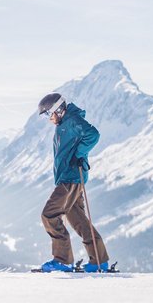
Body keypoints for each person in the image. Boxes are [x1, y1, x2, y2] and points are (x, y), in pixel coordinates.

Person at [37, 93, 110, 272]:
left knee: (49, 214)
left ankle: (62, 260)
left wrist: (79, 154)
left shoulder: (72, 120)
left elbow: (93, 134)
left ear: (59, 110)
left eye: (49, 114)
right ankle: (99, 261)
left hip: (71, 178)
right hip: (70, 177)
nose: (48, 118)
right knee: (78, 220)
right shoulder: (64, 123)